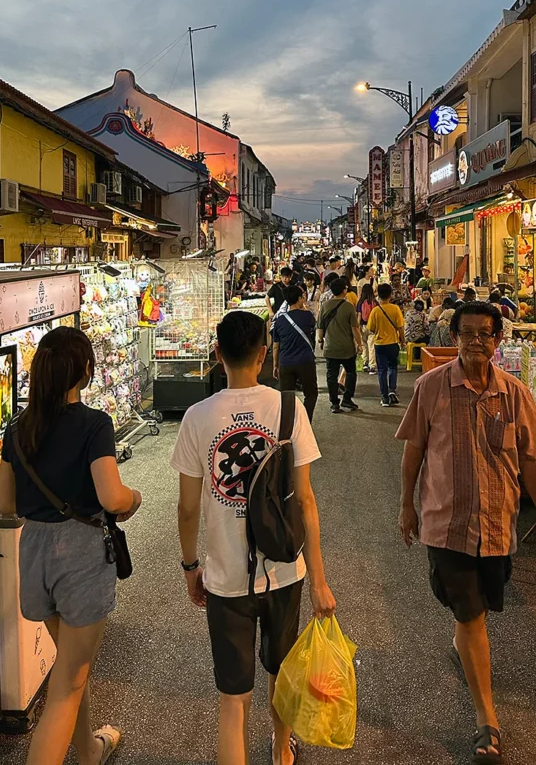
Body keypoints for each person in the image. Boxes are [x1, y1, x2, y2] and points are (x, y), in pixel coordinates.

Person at [396, 301, 536, 764]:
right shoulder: (431, 387)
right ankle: (486, 720)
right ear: (453, 337)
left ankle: (462, 643)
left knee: (480, 609)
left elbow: (530, 460)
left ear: (497, 340)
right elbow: (414, 450)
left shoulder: (514, 394)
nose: (476, 342)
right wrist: (406, 505)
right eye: (467, 334)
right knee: (470, 614)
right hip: (446, 523)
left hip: (496, 525)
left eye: (485, 334)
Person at [171, 312, 336, 765]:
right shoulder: (289, 408)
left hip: (225, 576)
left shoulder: (197, 417)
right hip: (284, 568)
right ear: (264, 354)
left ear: (217, 354)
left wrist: (190, 566)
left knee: (232, 697)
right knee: (281, 673)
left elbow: (187, 508)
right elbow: (304, 500)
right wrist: (319, 580)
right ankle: (282, 750)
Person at [0, 327, 142, 765]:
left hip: (35, 552)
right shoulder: (94, 424)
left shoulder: (18, 427)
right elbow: (112, 497)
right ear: (84, 371)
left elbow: (8, 503)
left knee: (71, 671)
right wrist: (135, 498)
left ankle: (89, 752)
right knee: (65, 687)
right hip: (79, 555)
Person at [272, 285, 319, 421]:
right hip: (305, 361)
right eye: (302, 297)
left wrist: (276, 365)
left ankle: (288, 427)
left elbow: (276, 346)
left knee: (287, 397)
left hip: (285, 362)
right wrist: (304, 308)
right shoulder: (307, 316)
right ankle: (304, 421)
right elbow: (312, 328)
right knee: (310, 394)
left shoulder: (280, 320)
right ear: (299, 299)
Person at [317, 277, 363, 413]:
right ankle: (347, 399)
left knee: (331, 375)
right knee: (350, 373)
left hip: (330, 347)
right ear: (344, 290)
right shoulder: (349, 307)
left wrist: (320, 341)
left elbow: (320, 327)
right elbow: (355, 328)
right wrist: (359, 344)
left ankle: (334, 403)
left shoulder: (325, 306)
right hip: (347, 348)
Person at [367, 282, 405, 407]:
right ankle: (392, 391)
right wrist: (403, 341)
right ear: (390, 295)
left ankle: (384, 397)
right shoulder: (395, 309)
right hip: (393, 343)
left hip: (379, 344)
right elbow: (400, 327)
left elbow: (371, 329)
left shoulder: (375, 311)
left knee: (382, 370)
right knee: (393, 367)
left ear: (379, 295)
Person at [357, 282, 377, 373]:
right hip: (373, 326)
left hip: (363, 326)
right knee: (372, 346)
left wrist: (357, 327)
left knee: (364, 345)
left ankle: (365, 363)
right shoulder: (375, 302)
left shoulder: (360, 302)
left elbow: (359, 317)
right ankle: (372, 366)